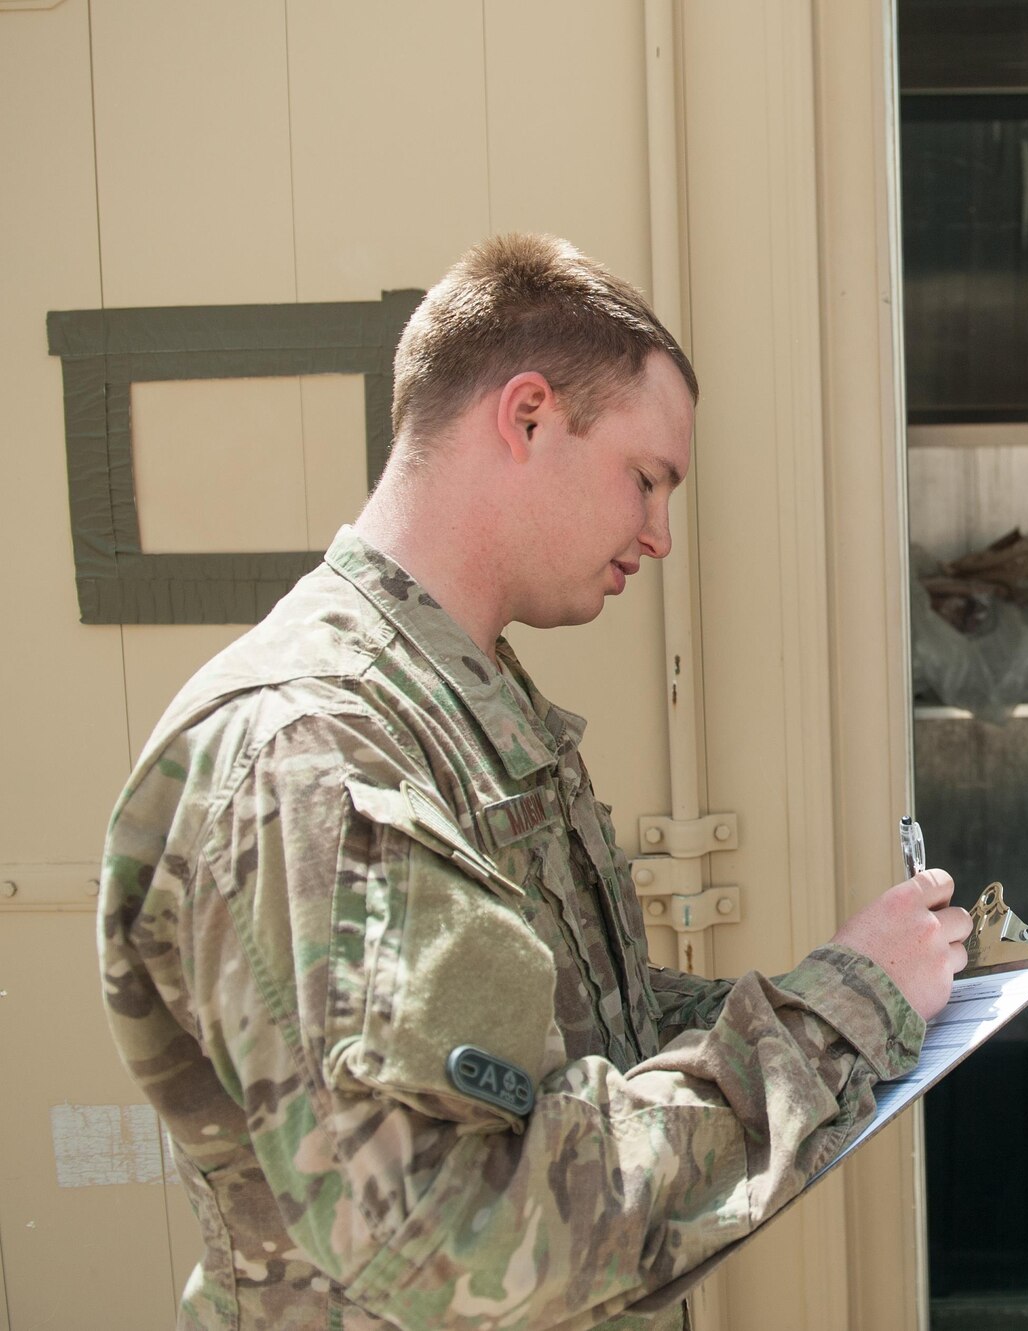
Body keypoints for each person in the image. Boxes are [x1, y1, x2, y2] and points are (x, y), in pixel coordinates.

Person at [99, 233, 973, 1331]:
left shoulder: (454, 702)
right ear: (525, 415)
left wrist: (853, 988)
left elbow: (579, 1044)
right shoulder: (314, 753)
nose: (658, 534)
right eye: (645, 478)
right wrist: (839, 1013)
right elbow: (464, 1240)